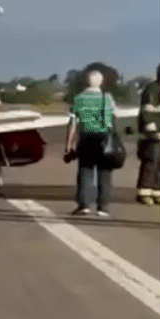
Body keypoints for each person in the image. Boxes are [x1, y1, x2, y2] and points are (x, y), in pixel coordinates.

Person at [64, 68, 117, 217]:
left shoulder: (78, 99)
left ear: (86, 82)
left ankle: (84, 205)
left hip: (86, 138)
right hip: (103, 138)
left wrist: (68, 145)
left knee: (85, 172)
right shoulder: (107, 98)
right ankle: (103, 207)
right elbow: (114, 117)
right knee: (104, 173)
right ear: (101, 82)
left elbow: (72, 123)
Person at [135, 60, 160, 205]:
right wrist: (152, 132)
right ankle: (144, 192)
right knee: (150, 163)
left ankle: (156, 191)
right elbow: (147, 113)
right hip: (152, 136)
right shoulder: (152, 89)